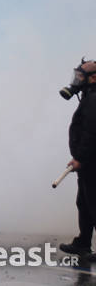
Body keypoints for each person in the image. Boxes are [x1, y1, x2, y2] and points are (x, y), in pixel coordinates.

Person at [60, 60, 96, 259]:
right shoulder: (89, 96)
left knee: (93, 203)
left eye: (81, 77)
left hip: (92, 162)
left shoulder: (93, 98)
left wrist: (80, 158)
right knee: (84, 202)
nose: (77, 80)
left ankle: (83, 242)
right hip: (88, 163)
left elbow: (92, 132)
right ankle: (83, 242)